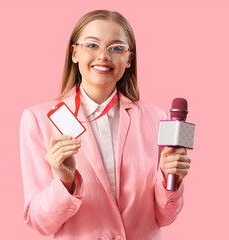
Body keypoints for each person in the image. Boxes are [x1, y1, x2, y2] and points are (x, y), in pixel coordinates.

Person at [20, 10, 192, 240]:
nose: (103, 56)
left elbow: (165, 218)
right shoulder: (38, 119)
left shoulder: (157, 117)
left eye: (116, 48)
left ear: (129, 59)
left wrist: (172, 180)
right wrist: (64, 181)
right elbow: (41, 223)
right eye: (92, 45)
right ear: (74, 53)